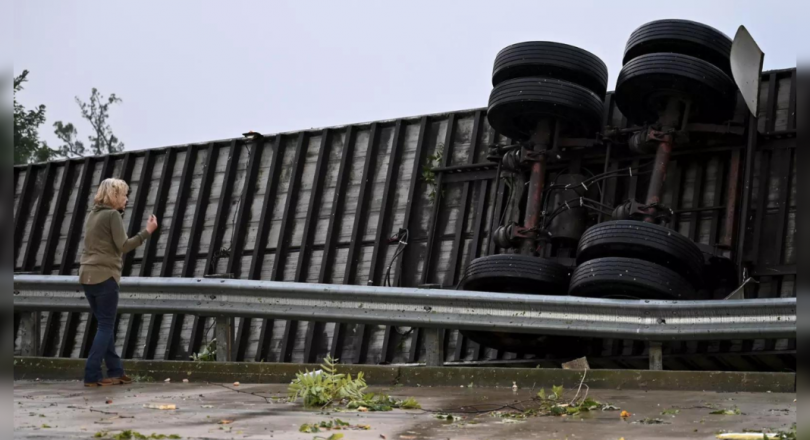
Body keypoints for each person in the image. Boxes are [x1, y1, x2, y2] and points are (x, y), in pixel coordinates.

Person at [79, 178, 158, 387]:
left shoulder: (93, 215)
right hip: (105, 276)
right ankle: (91, 374)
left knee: (105, 325)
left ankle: (115, 370)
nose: (127, 199)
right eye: (124, 194)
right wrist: (147, 232)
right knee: (105, 326)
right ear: (115, 196)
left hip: (87, 276)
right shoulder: (112, 215)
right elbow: (124, 246)